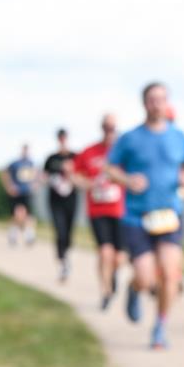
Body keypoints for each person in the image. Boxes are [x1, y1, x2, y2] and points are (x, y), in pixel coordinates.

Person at [107, 82, 184, 349]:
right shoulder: (130, 138)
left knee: (170, 274)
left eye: (161, 99)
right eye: (151, 100)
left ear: (167, 102)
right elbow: (110, 168)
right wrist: (126, 179)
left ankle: (160, 326)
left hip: (171, 214)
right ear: (144, 103)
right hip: (137, 216)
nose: (156, 104)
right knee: (146, 277)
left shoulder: (179, 136)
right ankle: (135, 288)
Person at [74, 114, 126, 310]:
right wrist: (88, 184)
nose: (109, 131)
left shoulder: (122, 152)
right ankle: (105, 291)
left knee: (119, 258)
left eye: (112, 127)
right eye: (106, 127)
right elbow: (75, 175)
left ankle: (112, 276)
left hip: (120, 210)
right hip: (97, 210)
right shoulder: (89, 152)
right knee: (105, 252)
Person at [44, 129, 78, 282]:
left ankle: (66, 253)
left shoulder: (75, 157)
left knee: (69, 231)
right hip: (55, 200)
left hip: (71, 199)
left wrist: (71, 172)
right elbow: (44, 176)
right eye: (60, 138)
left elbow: (82, 174)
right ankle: (63, 260)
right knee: (60, 230)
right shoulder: (51, 158)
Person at [2, 144, 37, 247]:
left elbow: (35, 175)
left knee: (28, 215)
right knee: (15, 215)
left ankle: (29, 235)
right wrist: (9, 186)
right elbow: (4, 173)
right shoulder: (15, 164)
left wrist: (34, 185)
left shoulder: (31, 163)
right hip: (16, 193)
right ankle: (13, 235)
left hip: (27, 192)